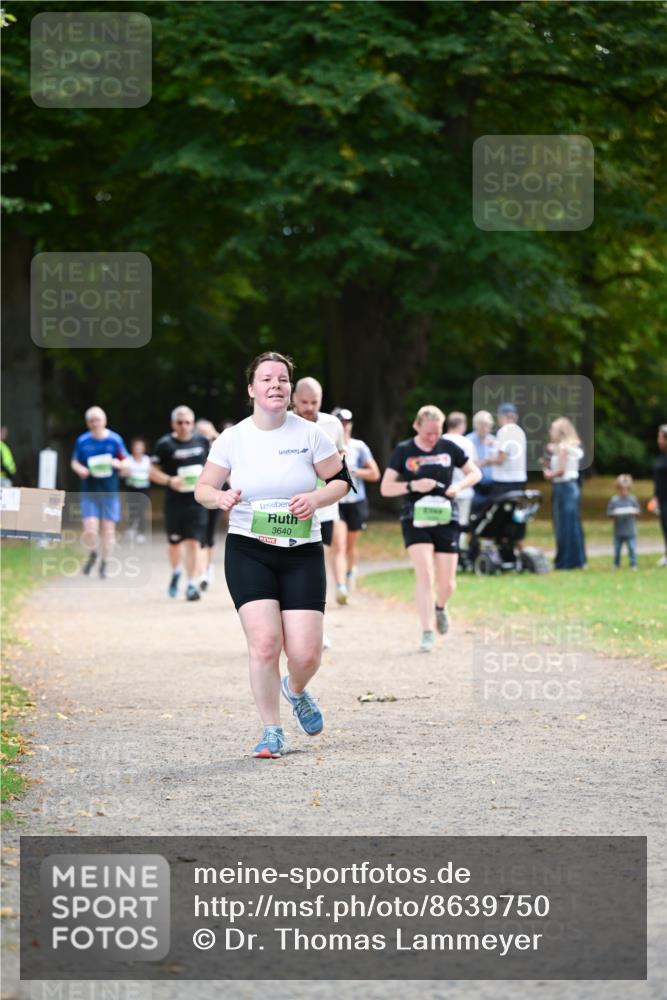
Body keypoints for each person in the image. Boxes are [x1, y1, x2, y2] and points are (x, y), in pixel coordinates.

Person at [195, 352, 350, 759]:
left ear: (290, 389)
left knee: (306, 655)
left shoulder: (311, 435)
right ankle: (271, 730)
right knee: (265, 644)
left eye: (282, 379)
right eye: (266, 379)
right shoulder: (232, 438)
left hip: (301, 551)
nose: (275, 385)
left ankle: (295, 689)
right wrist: (219, 497)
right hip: (249, 549)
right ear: (252, 389)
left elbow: (341, 481)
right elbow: (202, 488)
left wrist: (315, 498)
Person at [380, 405, 481, 652]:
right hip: (415, 517)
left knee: (448, 584)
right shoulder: (404, 450)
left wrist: (459, 487)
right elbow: (385, 488)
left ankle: (440, 606)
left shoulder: (449, 447)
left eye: (437, 433)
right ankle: (427, 631)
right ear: (416, 426)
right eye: (427, 434)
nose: (432, 438)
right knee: (425, 574)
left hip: (446, 515)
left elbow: (475, 473)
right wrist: (413, 486)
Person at [291, 377, 348, 609]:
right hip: (292, 504)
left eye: (314, 402)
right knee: (296, 556)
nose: (309, 407)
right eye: (304, 402)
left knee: (321, 554)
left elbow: (342, 453)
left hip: (325, 504)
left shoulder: (332, 424)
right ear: (294, 399)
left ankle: (317, 602)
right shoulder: (283, 423)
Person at [150, 406, 210, 601]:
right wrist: (169, 480)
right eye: (180, 422)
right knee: (175, 544)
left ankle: (191, 584)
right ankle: (176, 571)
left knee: (193, 542)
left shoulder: (202, 442)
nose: (184, 426)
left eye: (188, 422)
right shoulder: (164, 444)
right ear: (173, 424)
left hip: (197, 502)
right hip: (174, 503)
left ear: (193, 424)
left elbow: (214, 466)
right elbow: (152, 471)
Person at [70, 406, 129, 579]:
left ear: (104, 421)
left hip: (109, 492)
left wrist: (118, 464)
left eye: (98, 420)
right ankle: (93, 553)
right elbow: (74, 462)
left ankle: (104, 562)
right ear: (87, 423)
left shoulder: (115, 440)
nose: (95, 423)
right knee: (90, 530)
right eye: (91, 421)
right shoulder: (82, 441)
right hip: (89, 491)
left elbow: (126, 461)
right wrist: (80, 469)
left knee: (108, 531)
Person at [334, 408, 380, 589]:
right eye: (341, 423)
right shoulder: (326, 445)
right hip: (336, 503)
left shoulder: (359, 446)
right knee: (339, 545)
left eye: (347, 423)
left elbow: (375, 474)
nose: (344, 426)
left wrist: (355, 472)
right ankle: (340, 587)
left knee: (349, 546)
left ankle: (350, 571)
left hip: (356, 502)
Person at [542, 417, 586, 570]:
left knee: (564, 525)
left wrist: (549, 474)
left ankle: (566, 561)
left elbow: (561, 471)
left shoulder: (563, 448)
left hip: (564, 487)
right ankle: (577, 559)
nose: (550, 432)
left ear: (560, 431)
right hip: (571, 487)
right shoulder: (570, 447)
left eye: (553, 429)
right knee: (572, 524)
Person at [443, 411, 477, 548]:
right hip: (464, 488)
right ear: (462, 425)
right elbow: (473, 466)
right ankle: (459, 549)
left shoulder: (441, 441)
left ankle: (445, 546)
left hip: (445, 489)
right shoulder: (466, 443)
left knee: (444, 521)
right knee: (461, 522)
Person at [195, 419, 222, 591]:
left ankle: (209, 567)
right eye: (201, 434)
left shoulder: (220, 447)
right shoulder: (194, 448)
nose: (205, 438)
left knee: (210, 533)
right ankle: (202, 573)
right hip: (198, 495)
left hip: (216, 494)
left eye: (207, 434)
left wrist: (214, 438)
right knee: (199, 535)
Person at [486, 403, 527, 496]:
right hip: (519, 479)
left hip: (504, 481)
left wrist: (486, 461)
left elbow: (501, 459)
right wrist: (495, 443)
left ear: (502, 416)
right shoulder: (520, 431)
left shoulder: (503, 431)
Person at [120, 437, 151, 543]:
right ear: (132, 448)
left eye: (140, 447)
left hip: (144, 488)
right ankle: (131, 528)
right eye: (136, 447)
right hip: (131, 488)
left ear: (144, 448)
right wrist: (125, 473)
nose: (138, 449)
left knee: (141, 510)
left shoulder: (147, 460)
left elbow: (152, 473)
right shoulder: (127, 460)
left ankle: (141, 532)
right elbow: (121, 474)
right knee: (132, 509)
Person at [607, 475, 640, 570]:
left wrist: (634, 512)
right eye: (621, 489)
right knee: (617, 549)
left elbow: (638, 512)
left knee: (632, 548)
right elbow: (609, 513)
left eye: (626, 489)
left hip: (630, 530)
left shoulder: (632, 500)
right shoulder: (614, 500)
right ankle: (616, 564)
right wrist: (614, 514)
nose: (624, 492)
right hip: (618, 531)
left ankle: (633, 564)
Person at [466, 410, 497, 508]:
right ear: (476, 425)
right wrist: (487, 461)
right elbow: (467, 464)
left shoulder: (494, 440)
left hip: (492, 484)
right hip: (475, 485)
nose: (486, 428)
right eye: (482, 424)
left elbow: (498, 460)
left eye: (488, 425)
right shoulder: (468, 441)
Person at [651, 424, 667, 567]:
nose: (658, 440)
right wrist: (655, 497)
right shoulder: (661, 455)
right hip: (662, 499)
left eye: (660, 437)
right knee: (664, 526)